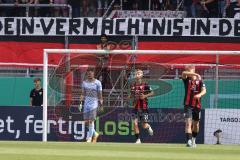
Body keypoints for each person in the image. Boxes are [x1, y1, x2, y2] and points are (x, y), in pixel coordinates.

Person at [182, 65, 206, 147]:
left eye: (189, 70)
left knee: (196, 124)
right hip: (187, 105)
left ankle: (193, 140)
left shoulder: (200, 81)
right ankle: (188, 141)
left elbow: (204, 91)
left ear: (193, 69)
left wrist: (199, 95)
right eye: (187, 70)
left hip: (197, 105)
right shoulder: (186, 80)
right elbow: (183, 73)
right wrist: (195, 74)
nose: (188, 72)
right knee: (188, 123)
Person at [129, 69, 154, 144]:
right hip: (135, 107)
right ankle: (138, 140)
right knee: (135, 123)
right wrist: (129, 97)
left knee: (144, 125)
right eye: (136, 73)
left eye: (139, 73)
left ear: (142, 75)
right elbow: (131, 94)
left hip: (143, 107)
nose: (137, 74)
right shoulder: (132, 85)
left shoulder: (145, 84)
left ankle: (149, 127)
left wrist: (145, 96)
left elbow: (152, 92)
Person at [80, 67, 103, 143]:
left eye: (91, 72)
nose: (90, 74)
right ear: (87, 74)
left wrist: (101, 104)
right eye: (88, 73)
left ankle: (89, 138)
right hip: (86, 104)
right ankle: (95, 133)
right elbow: (83, 93)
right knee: (86, 122)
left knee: (91, 121)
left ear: (94, 74)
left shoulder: (98, 83)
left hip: (94, 104)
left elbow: (100, 95)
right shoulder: (84, 83)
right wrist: (80, 102)